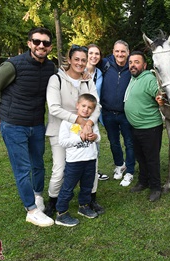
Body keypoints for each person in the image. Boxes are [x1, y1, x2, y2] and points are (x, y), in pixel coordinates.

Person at [0, 27, 55, 227]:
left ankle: (37, 196)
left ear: (50, 47)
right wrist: (1, 115)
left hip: (37, 125)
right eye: (37, 41)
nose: (41, 45)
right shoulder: (13, 65)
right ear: (29, 43)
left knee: (38, 163)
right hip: (14, 126)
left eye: (46, 43)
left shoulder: (50, 68)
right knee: (22, 168)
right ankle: (31, 211)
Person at [45, 45, 103, 217]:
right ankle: (53, 201)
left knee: (91, 164)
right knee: (59, 167)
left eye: (83, 60)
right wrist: (79, 121)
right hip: (61, 129)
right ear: (69, 60)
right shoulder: (56, 80)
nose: (80, 63)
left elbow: (97, 105)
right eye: (76, 59)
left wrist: (89, 123)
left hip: (87, 128)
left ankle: (89, 199)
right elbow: (54, 108)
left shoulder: (88, 80)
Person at [55, 93, 101, 226]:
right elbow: (63, 142)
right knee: (68, 187)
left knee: (87, 185)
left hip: (90, 160)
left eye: (90, 108)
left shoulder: (92, 122)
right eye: (84, 106)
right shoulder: (67, 122)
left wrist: (94, 137)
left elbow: (99, 137)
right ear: (77, 106)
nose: (86, 109)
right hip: (74, 162)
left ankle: (84, 206)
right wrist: (80, 138)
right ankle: (61, 213)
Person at [124, 51, 163, 202]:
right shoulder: (134, 78)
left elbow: (159, 94)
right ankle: (143, 181)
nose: (133, 65)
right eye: (131, 62)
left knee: (151, 159)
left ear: (144, 65)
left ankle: (155, 187)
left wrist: (160, 98)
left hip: (150, 127)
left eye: (137, 62)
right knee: (141, 157)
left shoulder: (148, 78)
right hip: (136, 127)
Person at [100, 40, 135, 186]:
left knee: (130, 143)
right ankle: (120, 165)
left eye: (123, 51)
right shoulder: (105, 64)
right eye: (117, 51)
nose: (120, 54)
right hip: (108, 113)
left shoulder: (133, 67)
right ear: (113, 52)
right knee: (114, 142)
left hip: (126, 113)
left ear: (128, 52)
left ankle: (130, 171)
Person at [86, 44, 108, 181]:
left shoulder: (99, 74)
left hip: (94, 114)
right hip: (79, 113)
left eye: (97, 54)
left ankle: (94, 172)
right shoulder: (79, 70)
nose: (94, 56)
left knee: (95, 143)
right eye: (91, 53)